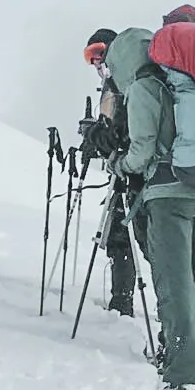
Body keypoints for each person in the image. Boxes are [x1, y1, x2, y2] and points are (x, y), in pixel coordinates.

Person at [96, 24, 195, 390]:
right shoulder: (181, 84)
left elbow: (143, 151)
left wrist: (118, 162)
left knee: (176, 286)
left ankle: (181, 381)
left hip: (166, 198)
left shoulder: (145, 88)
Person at [80, 29, 139, 318]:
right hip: (132, 171)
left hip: (133, 175)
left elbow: (116, 134)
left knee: (121, 236)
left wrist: (94, 136)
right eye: (91, 57)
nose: (97, 62)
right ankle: (123, 302)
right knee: (125, 237)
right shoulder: (126, 81)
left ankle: (122, 303)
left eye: (100, 53)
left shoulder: (120, 84)